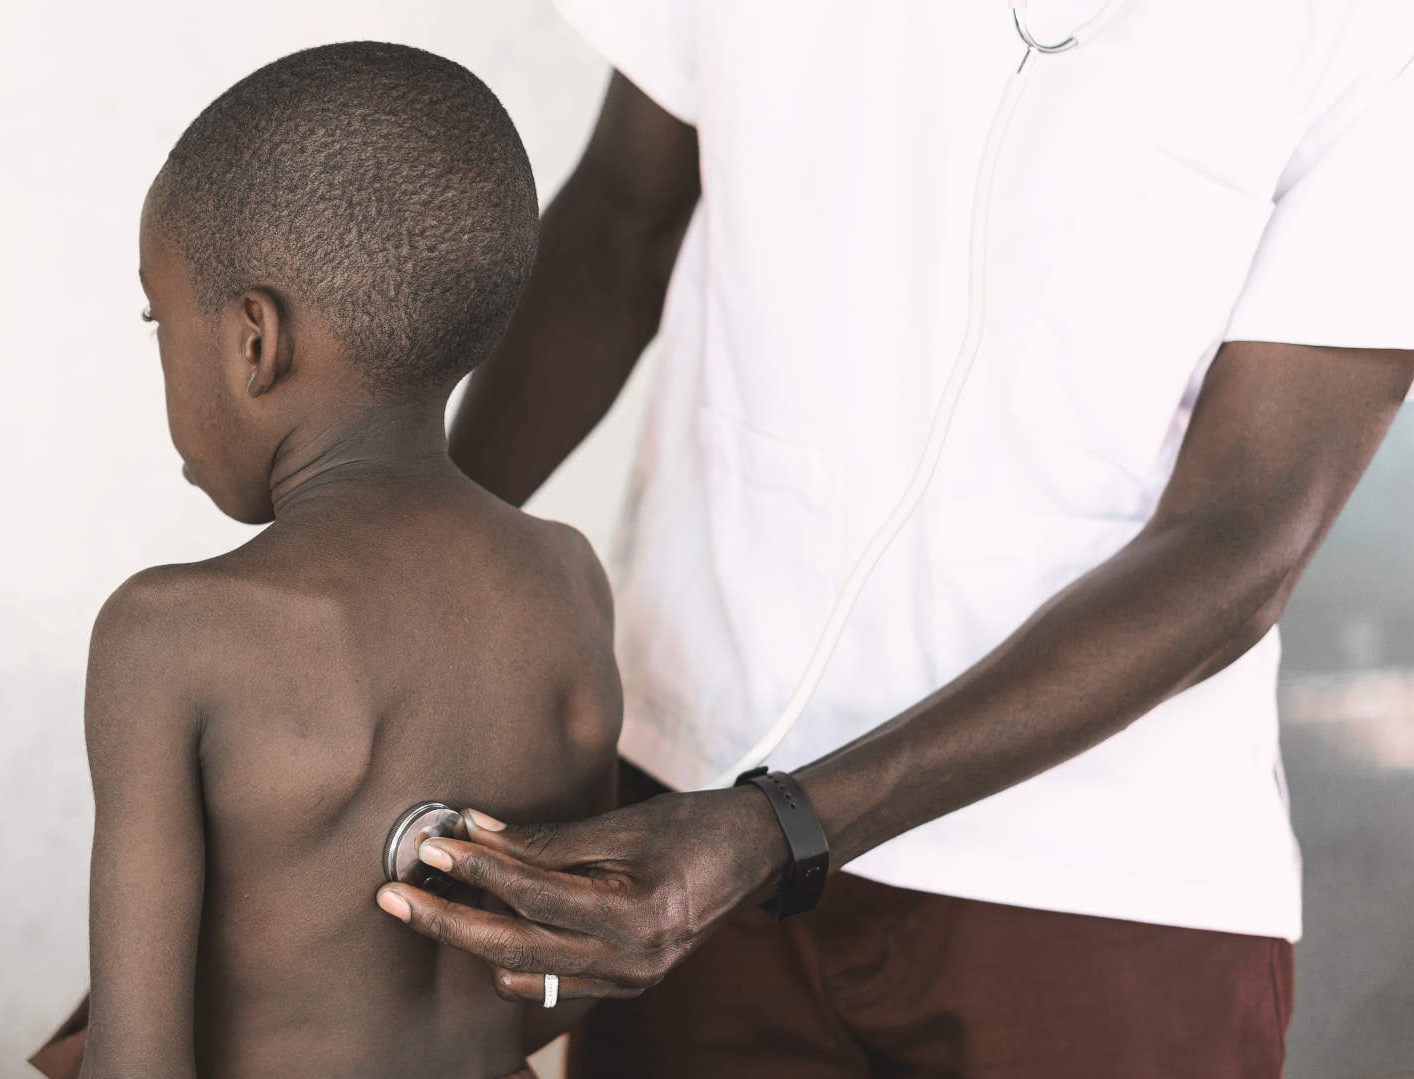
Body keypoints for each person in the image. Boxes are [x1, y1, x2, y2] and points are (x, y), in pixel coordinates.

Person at [375, 2, 1414, 1076]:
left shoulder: (1368, 31)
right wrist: (386, 570)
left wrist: (784, 825)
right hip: (679, 814)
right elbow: (617, 227)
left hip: (1099, 882)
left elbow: (1240, 541)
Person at [42, 41, 622, 1079]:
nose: (158, 348)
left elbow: (137, 1062)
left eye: (157, 317)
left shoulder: (173, 635)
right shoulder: (567, 580)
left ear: (254, 341)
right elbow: (557, 976)